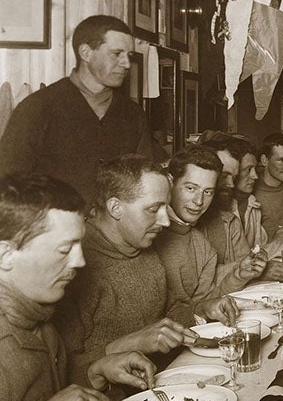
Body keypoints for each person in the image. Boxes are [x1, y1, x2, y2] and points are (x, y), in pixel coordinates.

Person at [0, 173, 157, 401]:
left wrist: (94, 372)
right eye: (64, 250)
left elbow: (51, 399)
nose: (79, 262)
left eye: (79, 246)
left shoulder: (40, 318)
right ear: (6, 255)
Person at [55, 155, 225, 384]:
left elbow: (167, 314)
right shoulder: (72, 269)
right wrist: (131, 344)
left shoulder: (142, 245)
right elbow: (59, 372)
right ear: (115, 208)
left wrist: (201, 310)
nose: (165, 221)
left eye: (165, 207)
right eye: (154, 209)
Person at [0, 15, 162, 201]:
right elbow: (8, 184)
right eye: (117, 54)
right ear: (86, 53)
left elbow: (145, 180)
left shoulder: (133, 114)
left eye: (129, 56)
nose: (126, 64)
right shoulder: (36, 108)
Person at [153, 146, 265, 323]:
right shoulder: (148, 234)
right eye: (191, 188)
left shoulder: (202, 245)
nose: (199, 201)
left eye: (208, 192)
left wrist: (239, 275)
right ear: (170, 182)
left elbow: (204, 304)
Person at [197, 133, 283, 282]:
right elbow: (200, 277)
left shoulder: (249, 206)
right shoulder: (199, 214)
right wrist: (260, 269)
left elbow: (248, 259)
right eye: (248, 169)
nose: (255, 176)